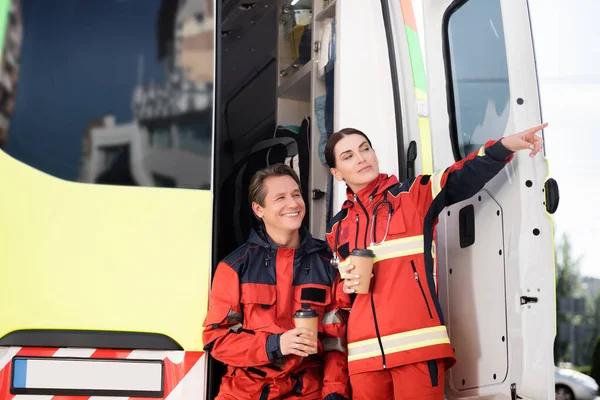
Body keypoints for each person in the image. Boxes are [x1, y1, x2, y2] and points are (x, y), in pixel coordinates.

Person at [324, 124, 547, 399]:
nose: (361, 158)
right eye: (348, 156)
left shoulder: (414, 194)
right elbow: (338, 298)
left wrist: (505, 145)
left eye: (365, 149)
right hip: (364, 359)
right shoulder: (336, 228)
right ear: (336, 173)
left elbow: (461, 175)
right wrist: (345, 289)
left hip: (417, 349)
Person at [203, 164, 350, 400]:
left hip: (308, 391)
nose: (293, 204)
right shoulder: (234, 267)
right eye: (280, 198)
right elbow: (217, 340)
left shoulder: (328, 263)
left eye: (296, 194)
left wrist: (335, 392)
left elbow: (336, 342)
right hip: (244, 393)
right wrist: (276, 344)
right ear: (258, 209)